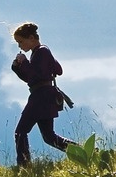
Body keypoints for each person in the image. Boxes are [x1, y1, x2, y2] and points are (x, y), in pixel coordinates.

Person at [10, 21, 71, 166]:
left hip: (40, 97)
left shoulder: (41, 52)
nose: (20, 46)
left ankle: (24, 165)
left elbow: (36, 75)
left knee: (20, 132)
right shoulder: (41, 52)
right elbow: (55, 70)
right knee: (49, 137)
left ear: (31, 38)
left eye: (21, 41)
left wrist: (24, 63)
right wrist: (17, 68)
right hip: (45, 96)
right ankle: (85, 153)